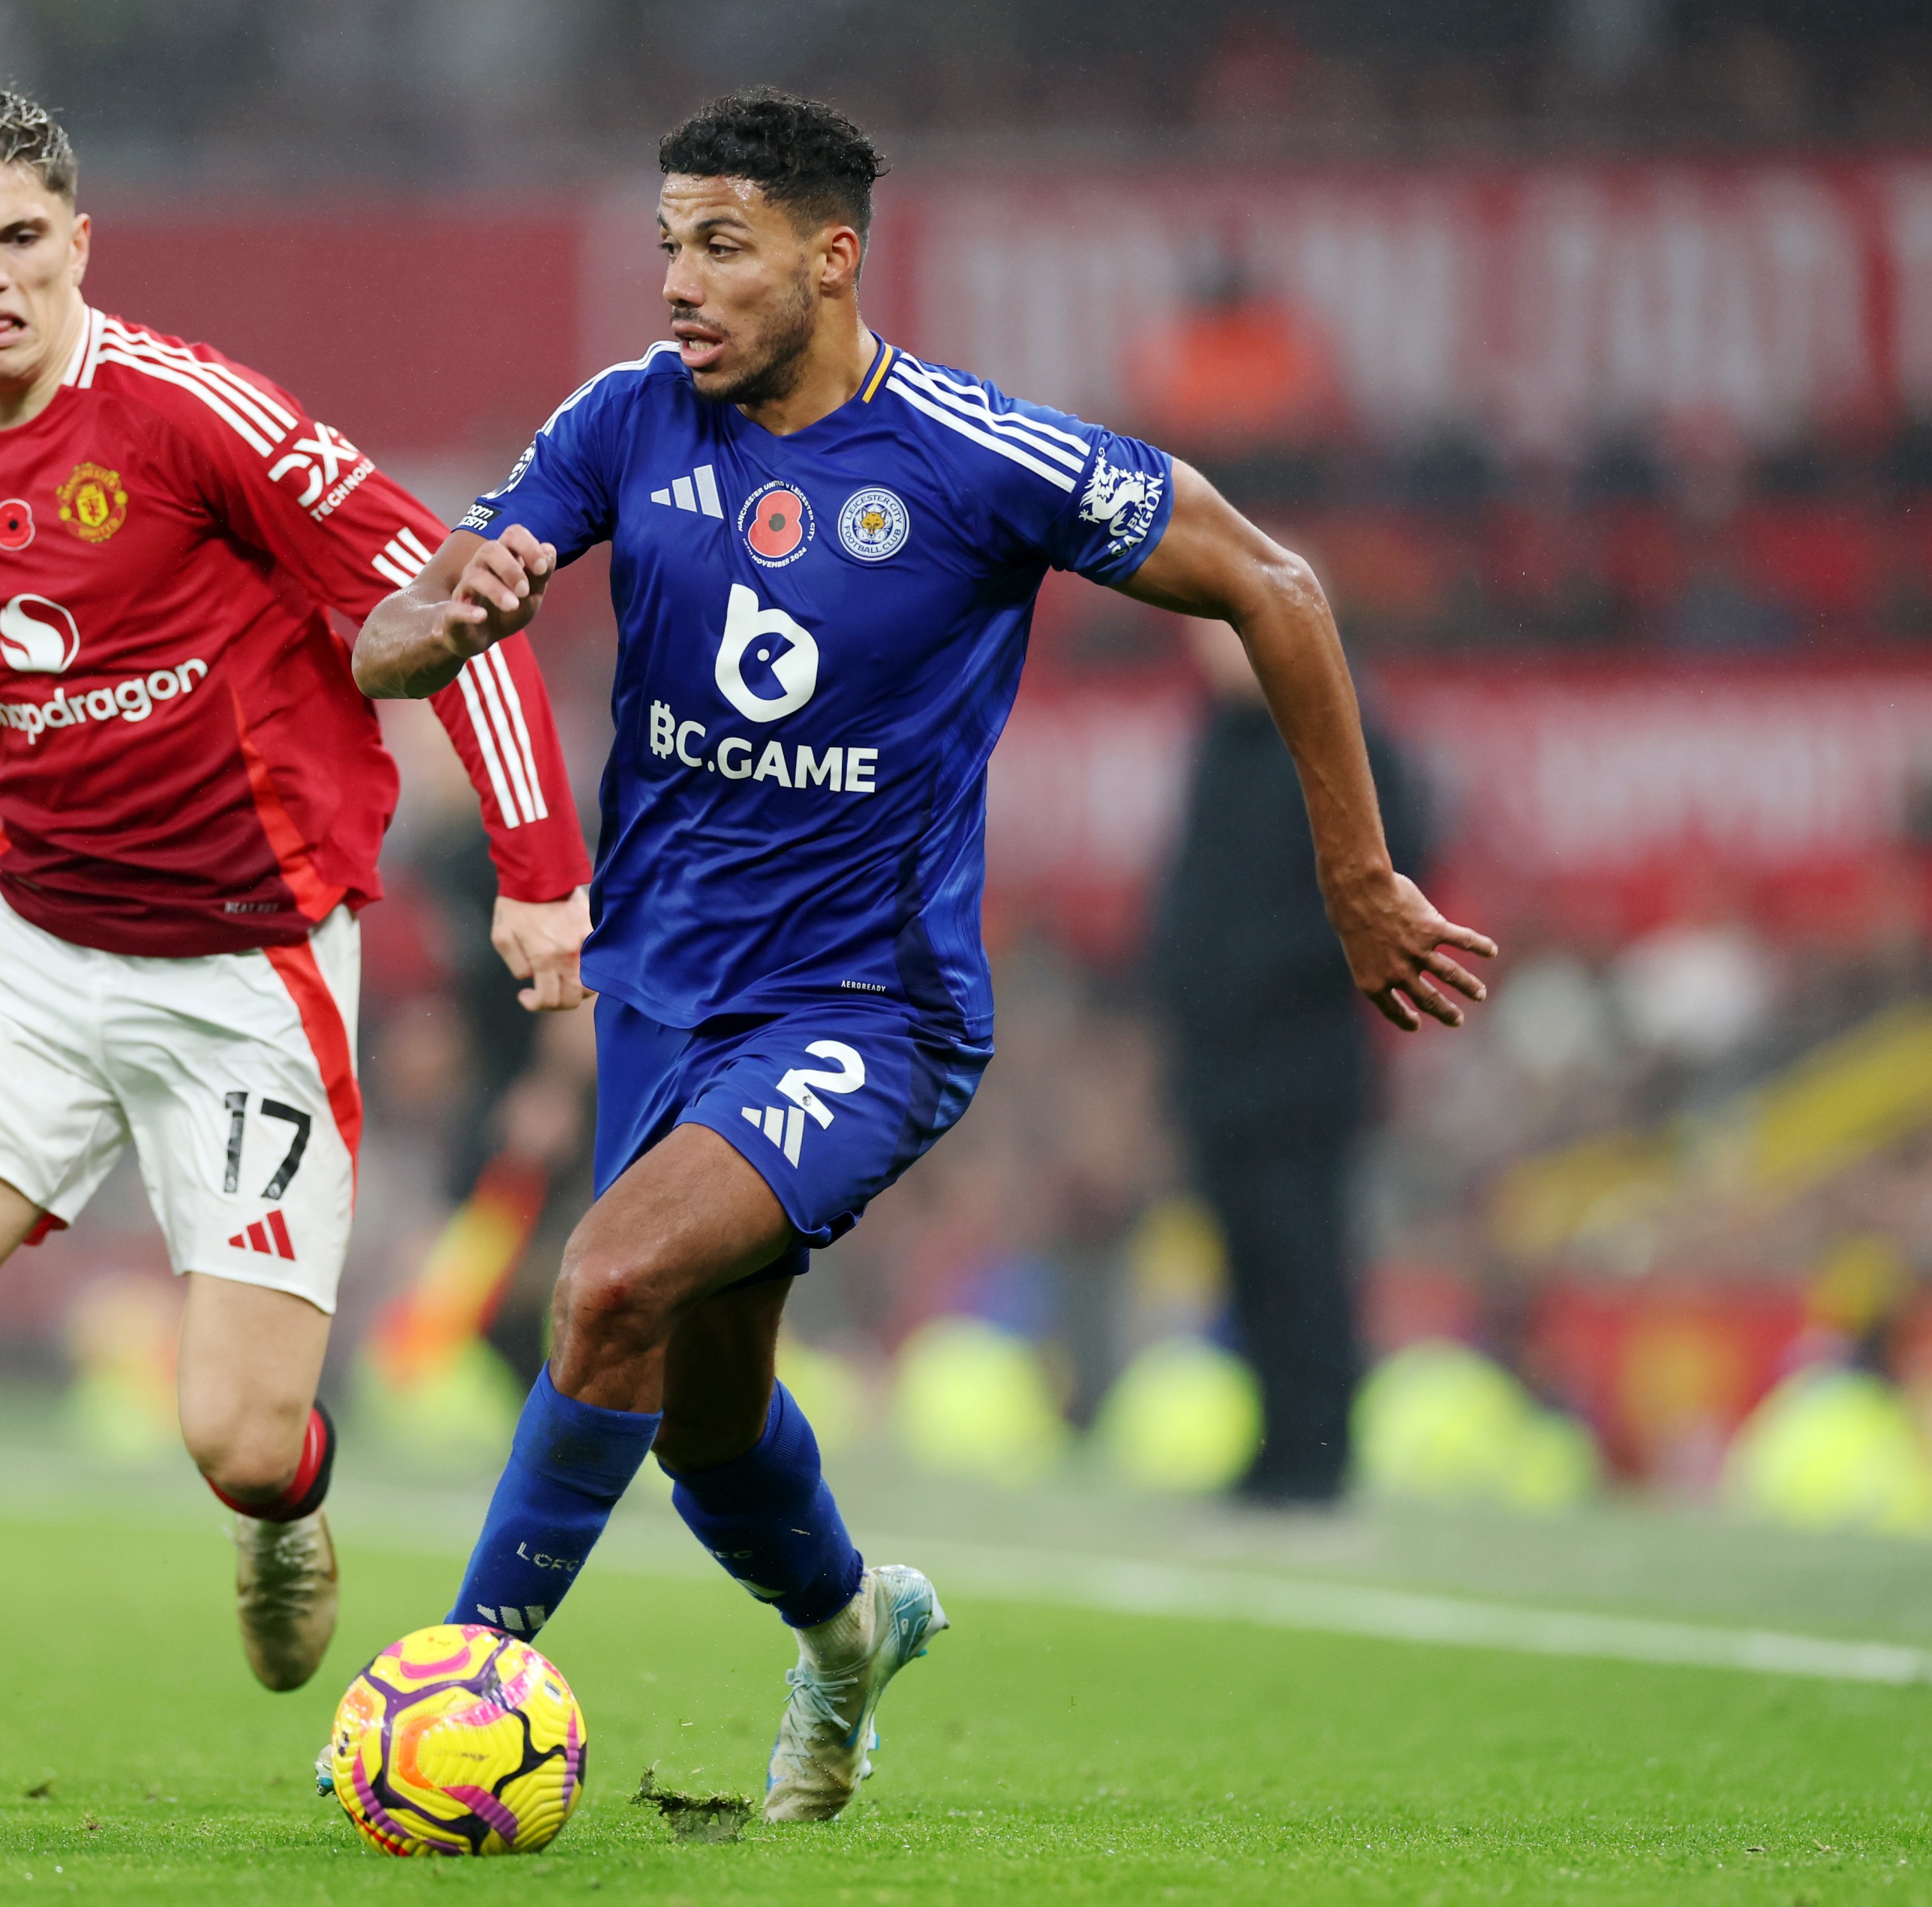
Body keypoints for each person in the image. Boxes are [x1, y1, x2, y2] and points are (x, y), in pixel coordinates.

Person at [353, 87, 1496, 1824]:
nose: (678, 284)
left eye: (720, 247)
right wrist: (429, 622)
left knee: (599, 1288)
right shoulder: (617, 422)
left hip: (861, 1010)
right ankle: (846, 1632)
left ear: (831, 257)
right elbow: (410, 616)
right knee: (699, 1421)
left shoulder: (977, 458)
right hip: (661, 994)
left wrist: (1357, 878)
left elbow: (1278, 587)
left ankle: (444, 1694)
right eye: (666, 245)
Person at [0, 88, 593, 1812]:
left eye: (24, 237)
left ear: (78, 242)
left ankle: (286, 1507)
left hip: (249, 973)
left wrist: (536, 870)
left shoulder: (189, 417)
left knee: (236, 1445)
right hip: (36, 959)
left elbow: (457, 600)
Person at [1151, 620, 1432, 1506]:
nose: (1207, 646)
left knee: (1303, 1250)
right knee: (1249, 1257)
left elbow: (1386, 879)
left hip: (1301, 1056)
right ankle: (1276, 1446)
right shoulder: (1220, 743)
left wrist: (1259, 972)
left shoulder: (1349, 738)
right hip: (1219, 1061)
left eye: (1225, 624)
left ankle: (1320, 1454)